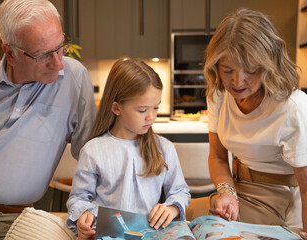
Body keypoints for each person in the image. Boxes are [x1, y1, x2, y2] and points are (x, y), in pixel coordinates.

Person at [0, 0, 96, 239]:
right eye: (43, 55)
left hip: (21, 220)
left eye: (60, 47)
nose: (58, 63)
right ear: (10, 53)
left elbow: (93, 155)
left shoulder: (74, 78)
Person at [204, 8, 307, 239]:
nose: (237, 82)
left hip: (286, 196)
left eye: (250, 71)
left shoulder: (293, 108)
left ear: (269, 64)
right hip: (241, 191)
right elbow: (218, 157)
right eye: (227, 70)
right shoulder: (218, 94)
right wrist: (227, 193)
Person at [66, 58, 191, 239]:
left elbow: (180, 192)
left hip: (149, 234)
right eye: (142, 110)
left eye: (156, 108)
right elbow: (78, 198)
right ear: (116, 107)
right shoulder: (93, 150)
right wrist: (83, 216)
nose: (151, 117)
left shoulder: (164, 148)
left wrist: (171, 208)